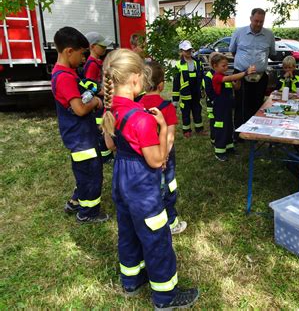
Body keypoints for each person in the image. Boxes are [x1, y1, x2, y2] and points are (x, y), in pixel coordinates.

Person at [101, 49, 199, 309]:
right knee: (157, 237)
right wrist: (164, 128)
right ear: (134, 78)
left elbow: (110, 144)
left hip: (121, 178)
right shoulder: (142, 120)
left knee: (129, 231)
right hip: (141, 184)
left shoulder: (111, 110)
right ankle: (166, 296)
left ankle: (131, 280)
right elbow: (157, 160)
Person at [51, 26, 109, 223]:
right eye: (82, 54)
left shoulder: (66, 72)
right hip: (80, 137)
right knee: (91, 174)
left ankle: (76, 201)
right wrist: (96, 102)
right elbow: (80, 109)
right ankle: (88, 213)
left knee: (83, 170)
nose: (84, 59)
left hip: (79, 135)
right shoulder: (65, 77)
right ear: (69, 51)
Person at [139, 61, 187, 235]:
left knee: (150, 187)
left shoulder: (137, 105)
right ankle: (171, 222)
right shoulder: (167, 107)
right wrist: (165, 157)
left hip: (145, 154)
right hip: (164, 156)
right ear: (161, 85)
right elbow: (170, 137)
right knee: (168, 187)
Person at [230, 8, 276, 138]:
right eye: (256, 21)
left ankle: (253, 132)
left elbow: (271, 53)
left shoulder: (269, 35)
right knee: (241, 104)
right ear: (251, 18)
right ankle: (238, 133)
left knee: (257, 104)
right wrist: (244, 67)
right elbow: (233, 51)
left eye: (261, 21)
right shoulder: (239, 32)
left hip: (260, 77)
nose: (258, 24)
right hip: (241, 75)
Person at [210, 53, 255, 161]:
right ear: (215, 66)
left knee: (229, 127)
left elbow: (236, 87)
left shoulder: (226, 78)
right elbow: (230, 77)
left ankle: (229, 148)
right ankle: (219, 151)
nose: (226, 68)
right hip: (220, 108)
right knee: (221, 129)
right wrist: (244, 73)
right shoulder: (217, 77)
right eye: (223, 66)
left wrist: (239, 79)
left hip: (227, 107)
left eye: (227, 65)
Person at [84, 31, 114, 163]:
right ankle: (105, 156)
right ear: (92, 47)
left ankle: (106, 154)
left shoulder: (97, 62)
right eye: (101, 46)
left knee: (104, 127)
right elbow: (90, 85)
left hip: (103, 99)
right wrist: (106, 92)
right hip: (98, 102)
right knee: (101, 129)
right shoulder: (91, 64)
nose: (104, 48)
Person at [172, 40, 204, 138]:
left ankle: (199, 129)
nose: (188, 52)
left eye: (190, 50)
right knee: (185, 113)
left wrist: (203, 90)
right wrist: (175, 101)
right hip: (185, 94)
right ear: (181, 51)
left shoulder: (198, 63)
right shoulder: (178, 65)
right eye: (186, 50)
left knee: (197, 110)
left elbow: (202, 78)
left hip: (196, 93)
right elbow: (176, 84)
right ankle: (186, 130)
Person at [202, 67, 216, 145]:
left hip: (217, 103)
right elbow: (208, 91)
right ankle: (213, 139)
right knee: (213, 121)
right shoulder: (208, 76)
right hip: (212, 103)